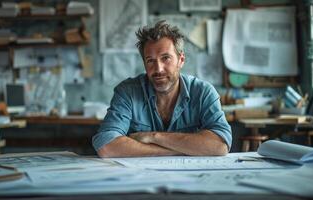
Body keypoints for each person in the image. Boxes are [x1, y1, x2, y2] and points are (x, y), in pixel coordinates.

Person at [92, 20, 232, 157]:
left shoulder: (203, 92)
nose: (158, 69)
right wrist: (178, 150)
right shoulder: (127, 92)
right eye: (150, 60)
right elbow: (106, 145)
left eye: (166, 58)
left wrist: (154, 137)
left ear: (181, 60)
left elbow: (220, 144)